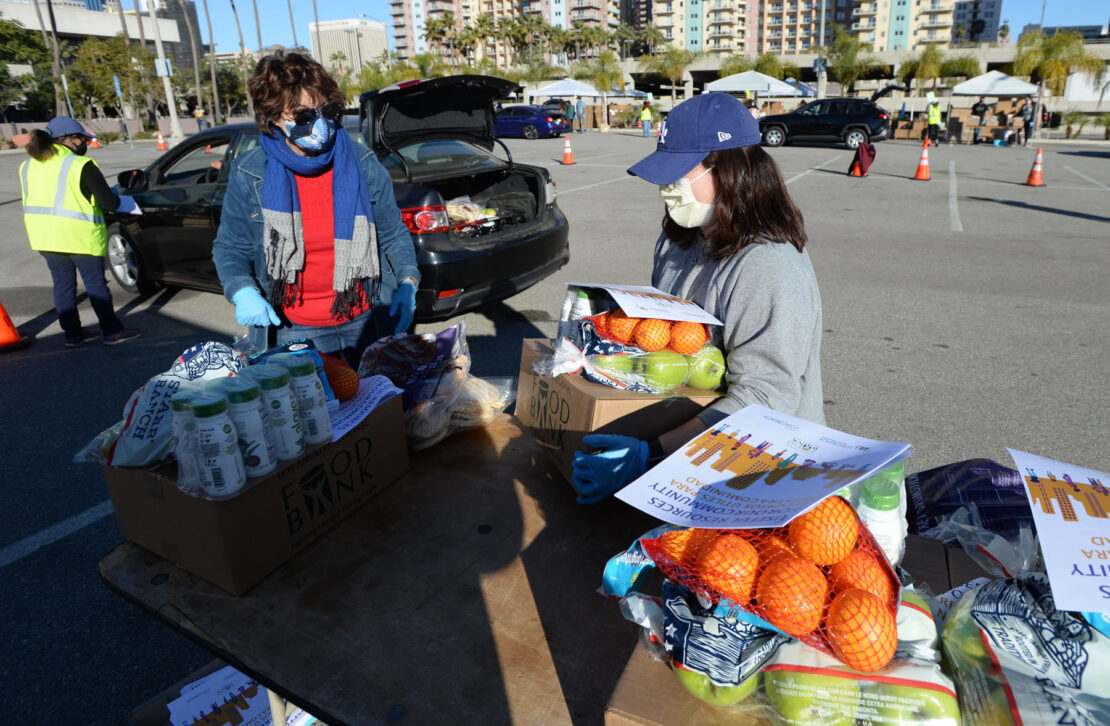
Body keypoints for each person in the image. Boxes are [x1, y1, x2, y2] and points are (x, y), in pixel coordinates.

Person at [571, 93, 823, 504]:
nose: (667, 191)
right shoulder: (679, 239)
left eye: (677, 175)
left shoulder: (767, 265)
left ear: (730, 169)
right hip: (688, 451)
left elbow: (765, 399)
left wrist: (651, 454)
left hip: (760, 470)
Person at [212, 51, 420, 368]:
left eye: (328, 111)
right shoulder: (250, 173)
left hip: (366, 318)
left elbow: (393, 234)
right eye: (303, 116)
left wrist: (407, 282)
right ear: (273, 118)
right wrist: (241, 290)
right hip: (292, 327)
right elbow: (230, 247)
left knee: (375, 398)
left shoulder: (363, 164)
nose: (320, 124)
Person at [19, 117, 142, 348]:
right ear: (72, 139)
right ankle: (112, 331)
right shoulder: (80, 164)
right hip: (79, 235)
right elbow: (108, 203)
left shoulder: (27, 165)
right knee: (95, 285)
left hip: (45, 236)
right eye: (84, 139)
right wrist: (123, 200)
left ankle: (73, 335)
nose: (85, 143)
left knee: (63, 286)